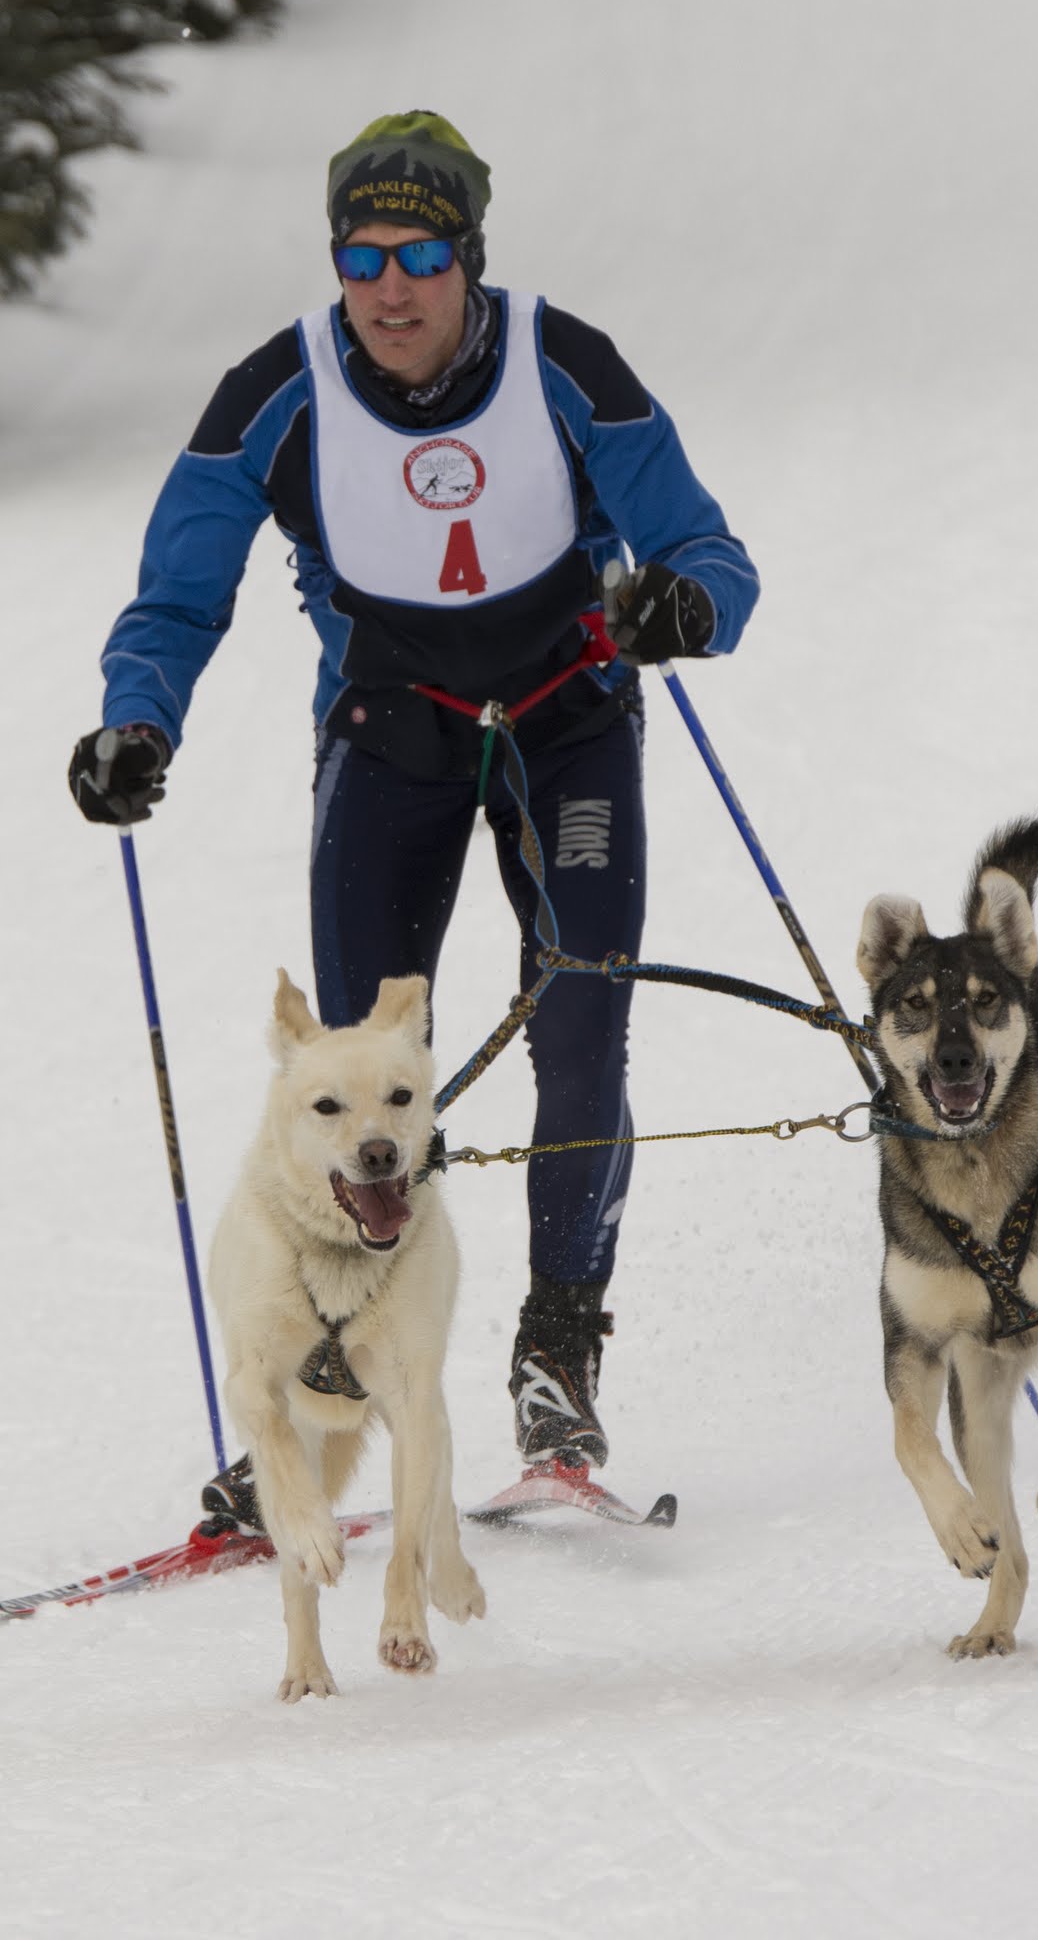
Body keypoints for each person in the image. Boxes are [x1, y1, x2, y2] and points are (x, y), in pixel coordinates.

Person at [69, 111, 760, 1511]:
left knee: (580, 1026)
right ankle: (322, 1414)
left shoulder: (568, 367)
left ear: (472, 258)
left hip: (569, 730)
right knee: (357, 1089)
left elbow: (705, 547)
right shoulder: (279, 393)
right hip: (392, 741)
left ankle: (557, 1367)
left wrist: (688, 605)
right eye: (363, 257)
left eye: (423, 254)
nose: (391, 289)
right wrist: (136, 720)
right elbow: (178, 588)